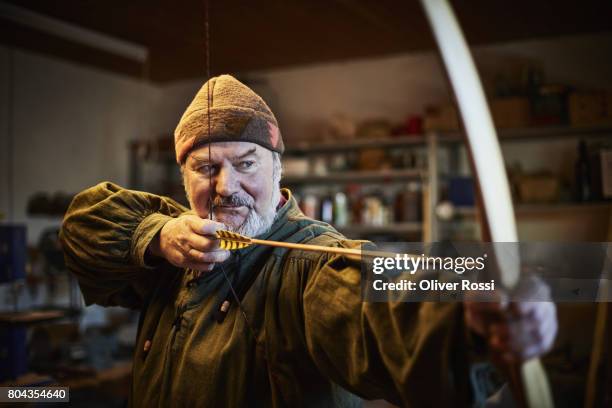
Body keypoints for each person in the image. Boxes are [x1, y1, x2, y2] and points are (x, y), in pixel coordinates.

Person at [59, 75, 557, 407]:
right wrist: (158, 234)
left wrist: (469, 310)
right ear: (184, 176)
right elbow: (84, 225)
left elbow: (376, 293)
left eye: (246, 164)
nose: (225, 186)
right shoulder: (173, 247)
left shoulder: (309, 263)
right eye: (206, 168)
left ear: (278, 168)